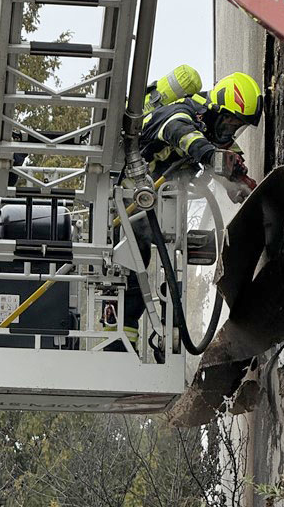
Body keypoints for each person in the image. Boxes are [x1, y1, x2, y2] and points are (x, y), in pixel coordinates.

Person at [104, 71, 263, 351]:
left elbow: (221, 151)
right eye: (228, 125)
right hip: (123, 209)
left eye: (236, 129)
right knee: (130, 287)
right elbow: (188, 139)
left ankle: (165, 336)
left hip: (152, 213)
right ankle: (115, 351)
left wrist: (239, 179)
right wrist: (218, 161)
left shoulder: (206, 130)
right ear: (214, 111)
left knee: (170, 277)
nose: (229, 133)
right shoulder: (179, 115)